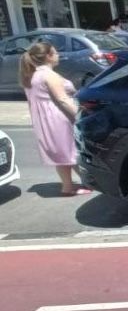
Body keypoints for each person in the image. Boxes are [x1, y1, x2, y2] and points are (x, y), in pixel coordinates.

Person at [20, 42, 89, 196]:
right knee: (70, 151)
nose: (59, 55)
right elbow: (63, 99)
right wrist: (81, 116)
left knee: (63, 153)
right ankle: (72, 186)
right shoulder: (48, 75)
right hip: (59, 117)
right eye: (56, 53)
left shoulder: (31, 75)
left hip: (44, 118)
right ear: (48, 57)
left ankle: (73, 184)